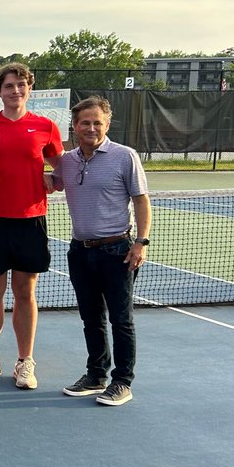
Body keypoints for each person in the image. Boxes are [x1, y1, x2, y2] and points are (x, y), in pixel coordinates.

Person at [0, 62, 62, 389]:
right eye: (9, 86)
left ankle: (25, 362)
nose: (16, 91)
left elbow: (61, 166)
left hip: (30, 222)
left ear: (29, 89)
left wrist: (54, 176)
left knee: (26, 292)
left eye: (22, 85)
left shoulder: (46, 127)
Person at [53, 96, 150, 406]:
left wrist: (141, 243)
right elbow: (48, 182)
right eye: (85, 122)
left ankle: (122, 381)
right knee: (91, 318)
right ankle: (96, 375)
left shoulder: (125, 156)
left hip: (118, 250)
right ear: (75, 126)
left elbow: (142, 201)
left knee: (121, 320)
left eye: (97, 122)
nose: (91, 128)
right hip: (79, 252)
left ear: (107, 125)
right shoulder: (66, 161)